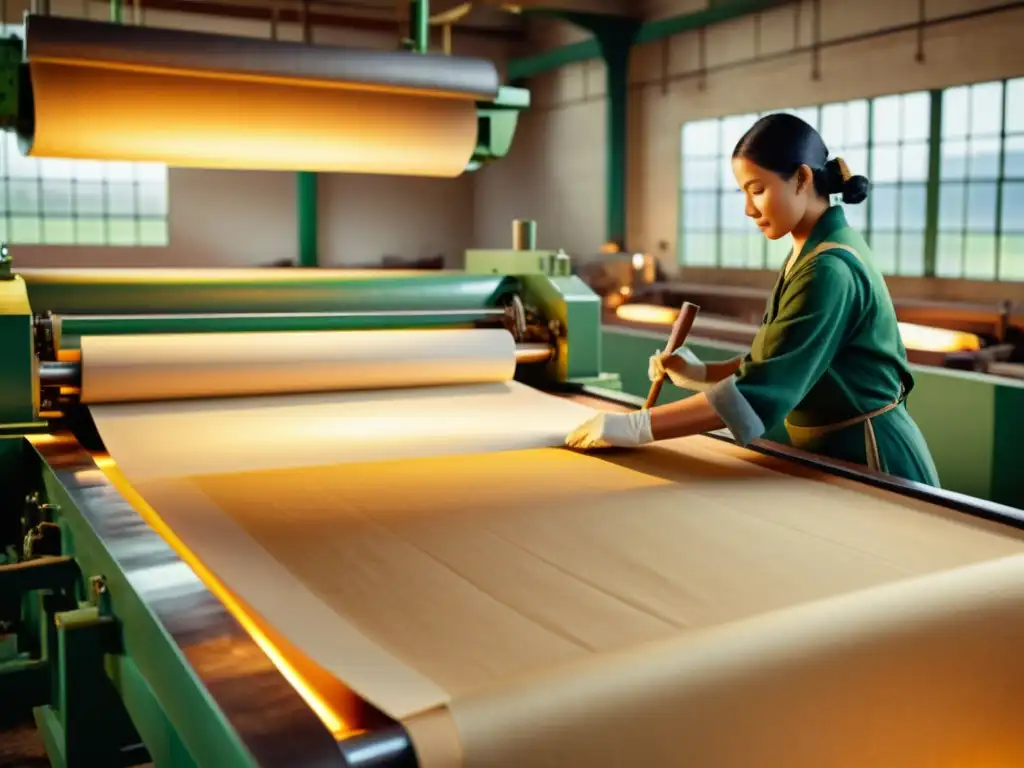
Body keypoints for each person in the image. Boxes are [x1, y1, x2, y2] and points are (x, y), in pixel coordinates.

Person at [564, 112, 940, 487]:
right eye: (744, 193)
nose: (748, 209)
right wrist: (701, 373)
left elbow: (758, 392)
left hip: (873, 457)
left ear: (802, 179)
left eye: (757, 190)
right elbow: (780, 361)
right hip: (834, 455)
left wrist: (634, 425)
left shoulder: (828, 268)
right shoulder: (809, 253)